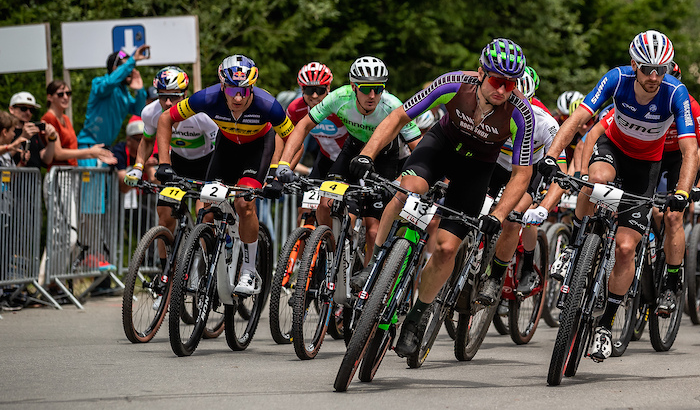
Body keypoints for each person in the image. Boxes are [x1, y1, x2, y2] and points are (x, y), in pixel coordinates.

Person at [348, 38, 534, 359]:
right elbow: (397, 119)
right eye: (496, 81)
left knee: (447, 248)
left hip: (477, 169)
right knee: (409, 188)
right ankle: (376, 261)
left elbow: (521, 174)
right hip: (440, 147)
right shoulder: (452, 83)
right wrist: (367, 154)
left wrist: (499, 215)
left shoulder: (521, 114)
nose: (503, 90)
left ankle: (416, 322)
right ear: (480, 73)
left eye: (510, 84)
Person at [538, 30, 699, 361]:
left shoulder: (675, 92)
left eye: (662, 69)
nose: (655, 76)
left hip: (646, 168)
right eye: (647, 69)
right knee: (595, 179)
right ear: (633, 65)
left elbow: (690, 149)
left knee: (626, 248)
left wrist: (682, 192)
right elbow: (580, 119)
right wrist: (552, 156)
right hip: (613, 148)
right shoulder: (617, 79)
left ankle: (605, 325)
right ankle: (573, 247)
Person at [156, 54, 294, 295]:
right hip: (227, 148)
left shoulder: (266, 104)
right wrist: (164, 163)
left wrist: (279, 172)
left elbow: (292, 137)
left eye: (244, 90)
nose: (238, 98)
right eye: (232, 91)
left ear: (252, 87)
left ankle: (249, 271)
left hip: (258, 149)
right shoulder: (207, 98)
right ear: (222, 86)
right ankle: (211, 263)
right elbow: (166, 118)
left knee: (244, 204)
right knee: (206, 208)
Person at [279, 57, 421, 264]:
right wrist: (283, 163)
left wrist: (419, 177)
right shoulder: (339, 97)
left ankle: (369, 276)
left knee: (373, 229)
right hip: (352, 149)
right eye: (365, 89)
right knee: (324, 205)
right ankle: (333, 257)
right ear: (353, 87)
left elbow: (417, 145)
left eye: (378, 88)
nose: (372, 96)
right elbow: (303, 126)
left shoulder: (393, 105)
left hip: (384, 156)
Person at [477, 65, 566, 302]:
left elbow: (562, 171)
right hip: (496, 163)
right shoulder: (490, 106)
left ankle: (519, 268)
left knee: (514, 217)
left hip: (528, 170)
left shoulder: (545, 122)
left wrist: (543, 208)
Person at [125, 67, 218, 248]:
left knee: (204, 216)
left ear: (184, 95)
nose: (168, 103)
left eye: (174, 97)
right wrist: (138, 167)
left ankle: (207, 269)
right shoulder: (150, 113)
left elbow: (220, 147)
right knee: (165, 218)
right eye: (162, 96)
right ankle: (166, 273)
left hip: (207, 165)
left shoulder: (201, 114)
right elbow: (146, 142)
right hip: (177, 165)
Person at [78, 45, 151, 155]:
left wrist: (139, 91)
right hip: (88, 147)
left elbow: (139, 111)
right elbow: (110, 83)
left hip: (105, 149)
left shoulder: (124, 93)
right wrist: (132, 60)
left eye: (130, 68)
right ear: (115, 68)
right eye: (126, 67)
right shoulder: (99, 83)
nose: (130, 71)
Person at [41, 80, 116, 167]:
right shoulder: (49, 118)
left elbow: (72, 150)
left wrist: (95, 154)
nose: (65, 97)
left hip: (71, 170)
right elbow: (58, 154)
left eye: (68, 93)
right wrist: (90, 152)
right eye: (60, 94)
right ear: (49, 97)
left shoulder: (66, 118)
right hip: (59, 173)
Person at [5, 92, 56, 168]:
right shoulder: (5, 131)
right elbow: (3, 156)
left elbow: (46, 159)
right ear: (11, 109)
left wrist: (52, 138)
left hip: (34, 179)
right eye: (23, 108)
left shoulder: (33, 132)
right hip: (12, 178)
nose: (28, 113)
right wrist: (23, 137)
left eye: (32, 110)